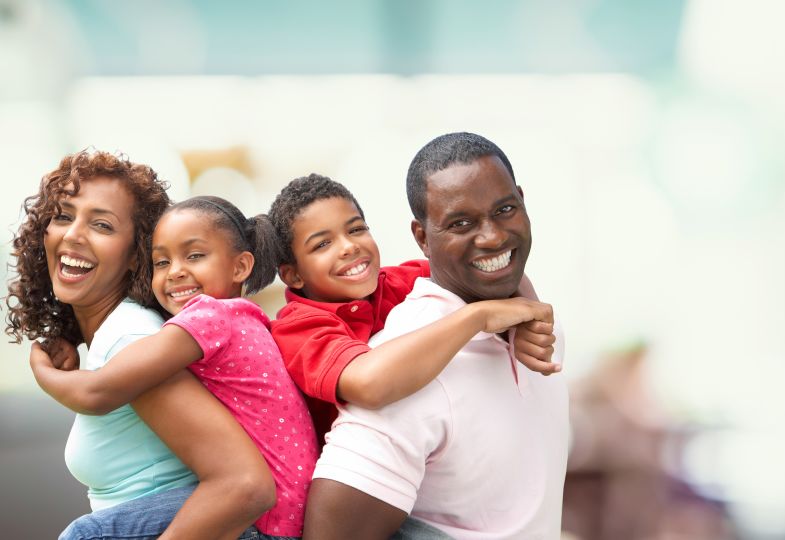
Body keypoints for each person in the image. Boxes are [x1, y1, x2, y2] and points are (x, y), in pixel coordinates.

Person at [304, 132, 570, 539]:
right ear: (423, 237)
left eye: (504, 209)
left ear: (522, 200)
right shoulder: (412, 368)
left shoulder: (534, 323)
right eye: (460, 223)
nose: (492, 236)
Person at [6, 151, 276, 539]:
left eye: (101, 224)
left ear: (136, 256)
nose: (73, 234)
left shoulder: (132, 338)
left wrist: (43, 371)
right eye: (63, 216)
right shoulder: (120, 335)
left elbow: (246, 485)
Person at [268, 174, 559, 444]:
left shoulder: (402, 281)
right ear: (293, 275)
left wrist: (525, 320)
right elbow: (369, 385)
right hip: (361, 479)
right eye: (322, 244)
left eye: (356, 229)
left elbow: (490, 268)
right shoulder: (299, 329)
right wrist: (477, 317)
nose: (348, 247)